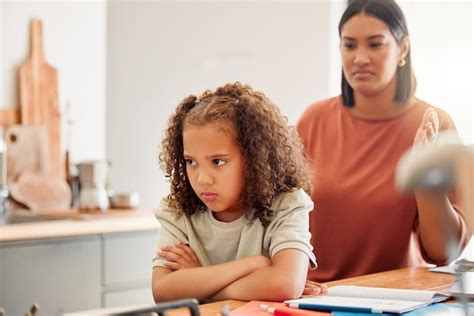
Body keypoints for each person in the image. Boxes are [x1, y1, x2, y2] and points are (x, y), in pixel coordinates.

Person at [297, 0, 470, 283]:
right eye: (349, 45)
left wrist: (426, 183)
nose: (360, 58)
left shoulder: (435, 124)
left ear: (402, 48)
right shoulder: (313, 120)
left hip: (395, 297)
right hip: (314, 294)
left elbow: (442, 253)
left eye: (375, 45)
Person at [152, 82, 327, 302]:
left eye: (218, 161)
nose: (202, 178)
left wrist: (199, 283)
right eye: (191, 162)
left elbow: (285, 285)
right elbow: (162, 291)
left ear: (254, 159)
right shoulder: (176, 210)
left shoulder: (287, 204)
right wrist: (254, 264)